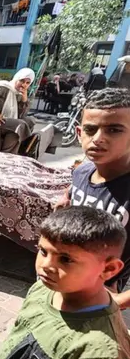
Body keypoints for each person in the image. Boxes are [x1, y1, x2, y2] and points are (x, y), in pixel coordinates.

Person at [0, 206, 130, 359]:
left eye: (65, 259)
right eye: (43, 251)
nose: (46, 265)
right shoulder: (42, 290)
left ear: (108, 269)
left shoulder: (99, 353)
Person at [54, 88, 130, 310]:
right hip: (63, 280)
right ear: (79, 133)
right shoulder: (82, 171)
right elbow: (76, 188)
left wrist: (118, 302)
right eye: (90, 129)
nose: (98, 139)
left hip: (99, 297)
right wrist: (65, 197)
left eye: (114, 130)